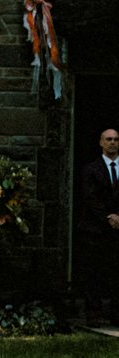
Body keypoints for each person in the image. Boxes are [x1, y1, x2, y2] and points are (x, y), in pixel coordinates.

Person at [77, 126, 119, 324]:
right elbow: (90, 197)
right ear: (101, 143)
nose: (112, 143)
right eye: (108, 139)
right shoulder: (91, 169)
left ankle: (116, 313)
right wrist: (108, 217)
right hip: (95, 229)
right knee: (93, 271)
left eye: (116, 139)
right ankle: (93, 312)